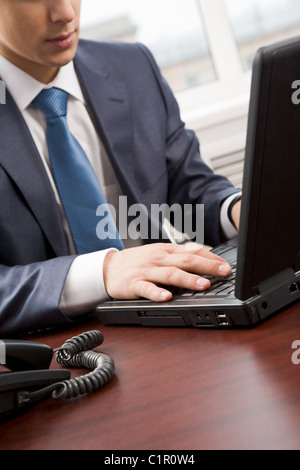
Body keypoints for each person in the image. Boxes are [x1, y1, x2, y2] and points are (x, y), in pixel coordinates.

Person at [0, 0, 241, 337]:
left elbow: (189, 189)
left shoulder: (132, 67)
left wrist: (241, 210)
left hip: (169, 323)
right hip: (53, 352)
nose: (65, 13)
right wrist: (104, 271)